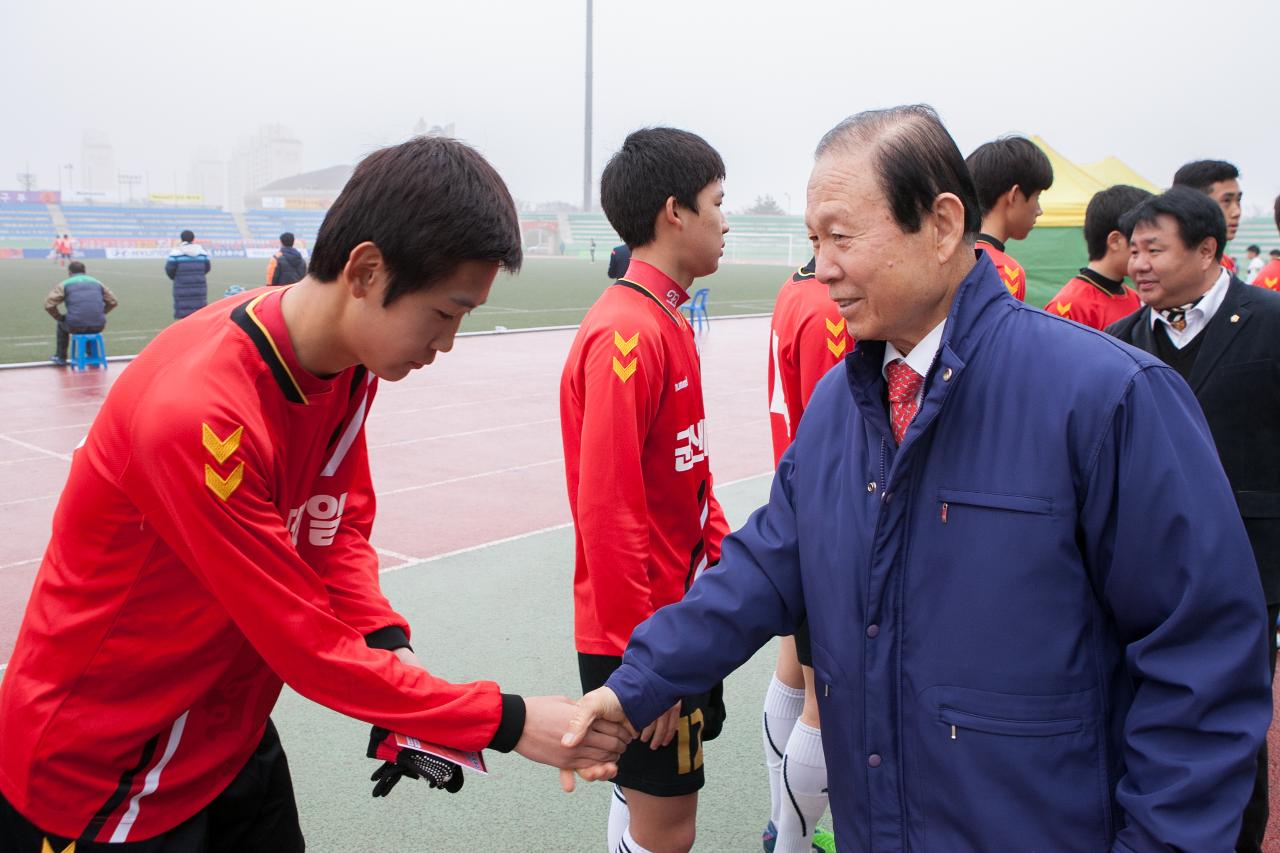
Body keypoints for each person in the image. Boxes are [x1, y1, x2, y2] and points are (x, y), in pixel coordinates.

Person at [565, 104, 1272, 851]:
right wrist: (634, 684)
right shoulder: (844, 400)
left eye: (841, 236)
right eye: (813, 240)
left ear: (941, 225)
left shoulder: (1108, 396)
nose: (821, 265)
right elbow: (764, 565)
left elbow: (1201, 663)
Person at [0, 136, 629, 851]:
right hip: (102, 764)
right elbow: (303, 643)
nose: (447, 343)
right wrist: (507, 720)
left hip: (221, 731)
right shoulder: (203, 415)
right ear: (365, 270)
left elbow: (338, 532)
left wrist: (392, 651)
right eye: (445, 313)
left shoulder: (346, 363)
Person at [559, 127, 731, 853]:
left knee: (645, 809)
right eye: (718, 203)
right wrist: (647, 666)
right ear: (675, 213)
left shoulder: (665, 315)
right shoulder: (627, 332)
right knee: (668, 831)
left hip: (677, 619)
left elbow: (690, 473)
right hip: (646, 634)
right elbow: (609, 512)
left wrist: (730, 563)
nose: (726, 221)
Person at [1105, 187, 1280, 853]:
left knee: (1231, 724)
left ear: (1208, 249)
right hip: (1144, 573)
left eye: (1155, 249)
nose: (1139, 263)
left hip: (1250, 570)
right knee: (1148, 719)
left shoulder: (1268, 321)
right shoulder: (1120, 341)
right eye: (1134, 249)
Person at [762, 255, 850, 853]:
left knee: (794, 669)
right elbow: (843, 422)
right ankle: (790, 839)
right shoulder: (830, 307)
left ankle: (782, 827)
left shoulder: (797, 286)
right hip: (830, 514)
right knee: (826, 701)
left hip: (802, 504)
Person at [1044, 185, 1150, 329]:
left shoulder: (1136, 299)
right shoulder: (1068, 307)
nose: (1148, 259)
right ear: (1115, 241)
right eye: (1141, 243)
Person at [964, 135, 1053, 301]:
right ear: (1015, 195)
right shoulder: (1006, 271)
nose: (1039, 210)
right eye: (1037, 196)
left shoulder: (946, 257)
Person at [1173, 159, 1242, 275]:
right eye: (1226, 201)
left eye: (1238, 200)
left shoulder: (1226, 263)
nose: (1237, 212)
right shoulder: (1169, 265)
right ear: (1194, 203)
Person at [44, 260, 118, 366]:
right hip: (99, 325)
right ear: (84, 272)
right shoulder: (97, 282)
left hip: (75, 325)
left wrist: (59, 317)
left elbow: (49, 304)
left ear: (69, 273)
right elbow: (113, 301)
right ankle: (91, 354)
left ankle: (60, 357)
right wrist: (102, 313)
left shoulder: (65, 284)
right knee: (87, 322)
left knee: (62, 324)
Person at [164, 229, 211, 319]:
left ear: (181, 239)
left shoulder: (176, 253)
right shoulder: (202, 252)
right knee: (199, 314)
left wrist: (177, 278)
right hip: (199, 288)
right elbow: (207, 268)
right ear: (193, 239)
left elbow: (169, 270)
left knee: (183, 316)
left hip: (181, 288)